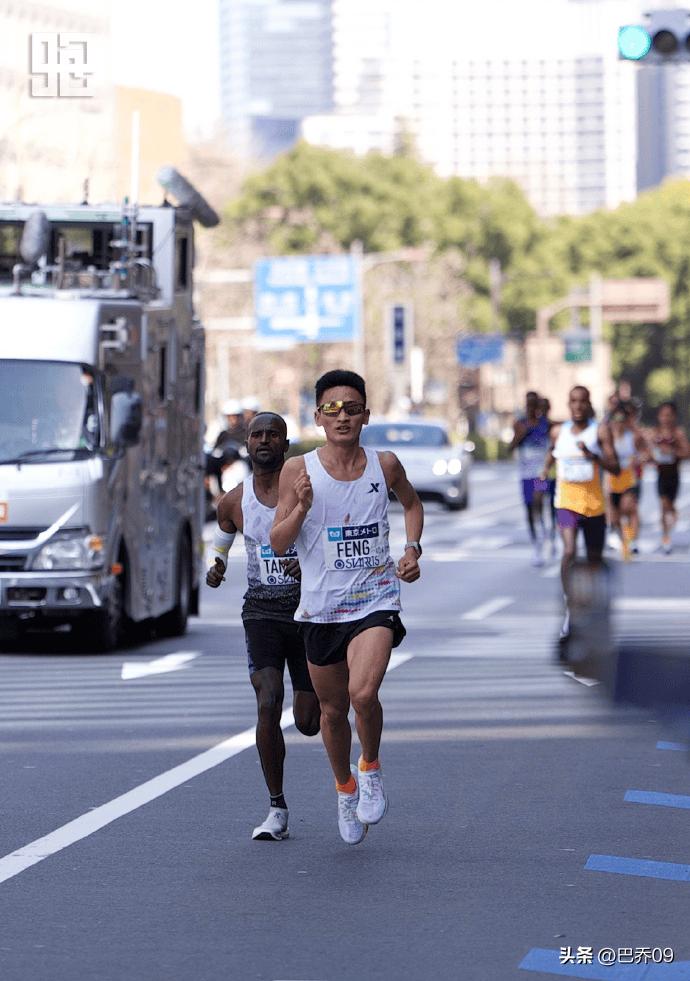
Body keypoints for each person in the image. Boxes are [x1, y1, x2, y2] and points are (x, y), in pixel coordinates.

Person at [270, 369, 424, 845]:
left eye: (352, 409)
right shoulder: (298, 471)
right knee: (332, 711)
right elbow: (278, 543)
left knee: (363, 694)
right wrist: (300, 508)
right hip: (321, 609)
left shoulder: (385, 465)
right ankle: (345, 788)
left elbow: (412, 505)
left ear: (366, 416)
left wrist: (412, 548)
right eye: (332, 410)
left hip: (375, 599)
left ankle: (370, 768)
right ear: (318, 417)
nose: (343, 417)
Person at [206, 411, 320, 841]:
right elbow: (222, 537)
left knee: (309, 721)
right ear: (247, 444)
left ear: (285, 445)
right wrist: (216, 566)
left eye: (274, 435)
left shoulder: (308, 492)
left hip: (309, 612)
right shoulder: (234, 501)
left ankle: (340, 735)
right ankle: (277, 807)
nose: (265, 441)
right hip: (261, 613)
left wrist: (309, 565)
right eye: (257, 435)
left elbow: (330, 538)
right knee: (268, 699)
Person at [540, 385, 620, 641]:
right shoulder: (558, 432)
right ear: (568, 404)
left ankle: (596, 607)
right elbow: (550, 456)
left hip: (594, 506)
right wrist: (542, 476)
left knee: (594, 560)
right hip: (566, 504)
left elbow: (615, 467)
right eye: (573, 401)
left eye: (582, 401)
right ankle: (570, 606)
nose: (578, 406)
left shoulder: (600, 431)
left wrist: (593, 456)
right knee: (569, 551)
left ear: (588, 404)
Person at [509, 391, 551, 566]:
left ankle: (546, 533)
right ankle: (536, 545)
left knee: (538, 502)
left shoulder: (545, 424)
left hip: (541, 473)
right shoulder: (519, 424)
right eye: (528, 404)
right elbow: (510, 448)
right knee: (529, 509)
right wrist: (519, 436)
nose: (531, 407)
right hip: (525, 474)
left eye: (534, 404)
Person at [606, 401, 648, 560]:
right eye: (615, 419)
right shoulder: (607, 437)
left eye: (622, 419)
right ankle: (624, 539)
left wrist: (639, 459)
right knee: (615, 517)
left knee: (629, 508)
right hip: (612, 481)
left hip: (629, 479)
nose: (618, 422)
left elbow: (646, 452)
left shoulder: (633, 436)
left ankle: (632, 541)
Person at [647, 401, 689, 554]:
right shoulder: (654, 433)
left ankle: (673, 513)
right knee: (664, 506)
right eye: (663, 415)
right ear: (659, 416)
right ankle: (666, 538)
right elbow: (648, 453)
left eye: (669, 415)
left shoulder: (678, 433)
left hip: (674, 476)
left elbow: (687, 453)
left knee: (669, 506)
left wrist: (672, 452)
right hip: (661, 476)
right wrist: (653, 455)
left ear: (674, 416)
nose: (666, 418)